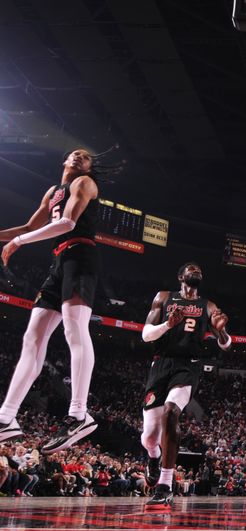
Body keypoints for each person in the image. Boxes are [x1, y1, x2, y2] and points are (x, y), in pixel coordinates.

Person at [0, 149, 104, 453]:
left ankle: (79, 414)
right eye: (75, 153)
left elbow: (68, 223)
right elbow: (30, 228)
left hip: (81, 256)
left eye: (85, 156)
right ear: (63, 160)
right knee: (32, 337)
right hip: (59, 262)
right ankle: (7, 418)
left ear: (89, 167)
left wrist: (18, 242)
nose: (79, 156)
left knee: (74, 330)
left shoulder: (84, 184)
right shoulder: (53, 191)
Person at [139, 262, 231, 510]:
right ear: (181, 276)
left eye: (200, 269)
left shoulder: (208, 305)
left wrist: (221, 333)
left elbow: (225, 344)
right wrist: (169, 325)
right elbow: (146, 335)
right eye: (191, 268)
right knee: (149, 437)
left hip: (188, 366)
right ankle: (153, 457)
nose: (197, 270)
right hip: (160, 365)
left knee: (172, 411)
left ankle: (165, 486)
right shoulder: (164, 297)